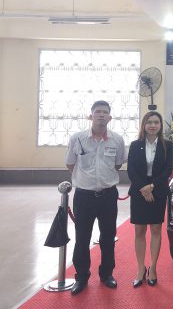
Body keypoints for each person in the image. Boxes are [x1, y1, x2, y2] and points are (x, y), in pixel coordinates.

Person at [65, 100, 126, 295]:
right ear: (90, 116)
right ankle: (81, 277)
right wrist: (87, 178)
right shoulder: (77, 138)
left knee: (108, 237)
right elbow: (70, 163)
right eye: (97, 112)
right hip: (84, 196)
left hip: (108, 196)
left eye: (105, 112)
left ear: (110, 117)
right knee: (82, 237)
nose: (101, 115)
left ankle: (106, 274)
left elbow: (117, 164)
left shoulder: (117, 140)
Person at [127, 111, 173, 287]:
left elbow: (168, 169)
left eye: (156, 122)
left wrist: (152, 186)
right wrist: (143, 188)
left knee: (155, 229)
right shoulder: (135, 145)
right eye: (149, 122)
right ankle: (140, 268)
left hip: (158, 191)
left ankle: (153, 268)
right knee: (139, 231)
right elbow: (131, 170)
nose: (153, 125)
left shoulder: (167, 145)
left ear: (160, 125)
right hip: (139, 191)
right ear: (144, 125)